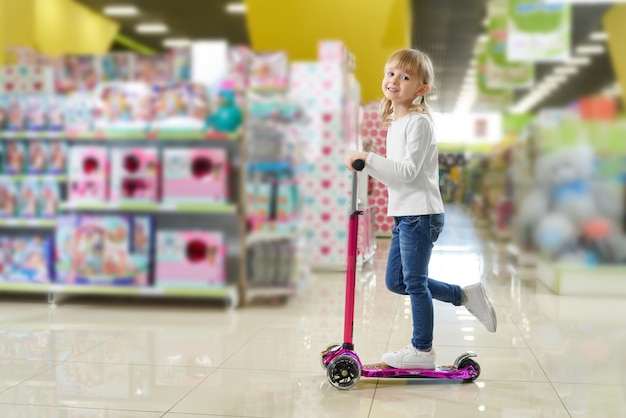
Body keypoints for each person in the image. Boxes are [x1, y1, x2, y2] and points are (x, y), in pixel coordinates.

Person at [345, 48, 497, 370]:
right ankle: (464, 296)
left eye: (405, 77)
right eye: (391, 74)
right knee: (397, 281)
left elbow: (406, 173)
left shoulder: (418, 123)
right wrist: (368, 164)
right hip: (406, 214)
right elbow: (396, 174)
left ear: (422, 89)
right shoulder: (396, 124)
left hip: (421, 214)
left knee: (414, 281)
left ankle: (422, 350)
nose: (394, 81)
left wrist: (368, 160)